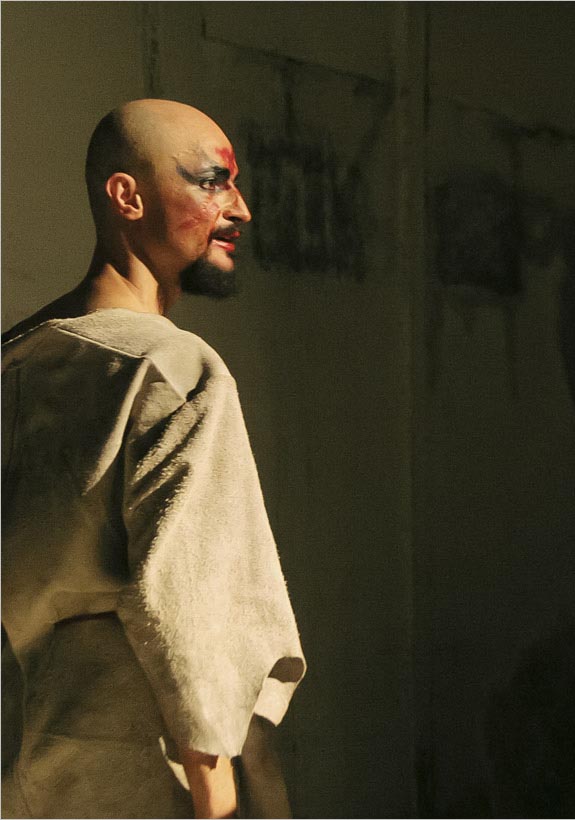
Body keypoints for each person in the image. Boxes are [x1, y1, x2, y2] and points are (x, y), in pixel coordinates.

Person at [1, 99, 306, 818]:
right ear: (128, 196)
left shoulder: (15, 362)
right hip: (140, 784)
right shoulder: (171, 369)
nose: (241, 208)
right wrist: (221, 804)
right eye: (213, 181)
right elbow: (190, 620)